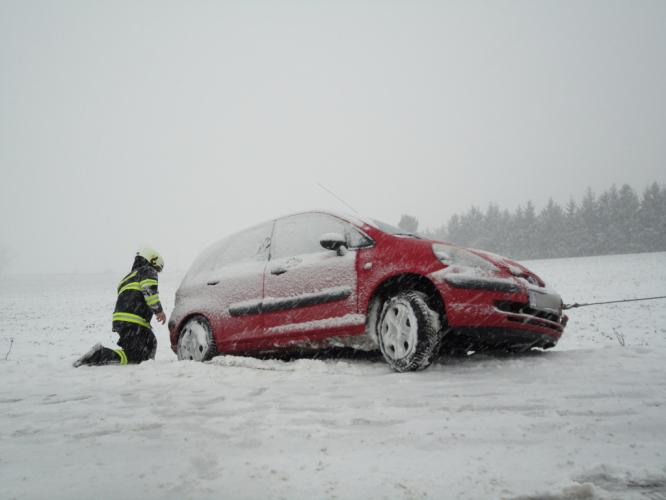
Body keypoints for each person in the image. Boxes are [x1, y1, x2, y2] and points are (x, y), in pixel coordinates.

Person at [73, 247, 166, 367]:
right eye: (157, 268)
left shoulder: (127, 277)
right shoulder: (148, 270)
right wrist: (158, 311)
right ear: (152, 260)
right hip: (134, 321)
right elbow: (149, 290)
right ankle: (100, 355)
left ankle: (101, 358)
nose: (156, 271)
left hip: (122, 321)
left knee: (140, 349)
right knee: (143, 352)